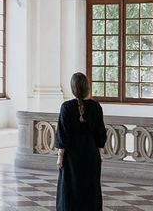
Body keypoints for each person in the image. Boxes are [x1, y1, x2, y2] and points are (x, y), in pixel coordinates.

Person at [55, 72, 107, 211]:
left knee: (69, 189)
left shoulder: (66, 107)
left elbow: (63, 134)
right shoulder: (96, 106)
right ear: (87, 87)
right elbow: (100, 133)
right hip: (91, 154)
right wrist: (100, 154)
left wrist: (60, 157)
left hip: (72, 155)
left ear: (73, 88)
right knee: (91, 190)